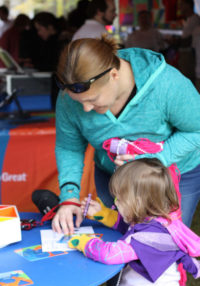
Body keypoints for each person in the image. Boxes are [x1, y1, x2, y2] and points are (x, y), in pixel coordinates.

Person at [52, 35, 200, 237]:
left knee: (165, 243)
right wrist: (69, 196)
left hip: (174, 176)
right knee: (117, 237)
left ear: (114, 74)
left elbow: (196, 130)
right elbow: (69, 147)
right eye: (79, 102)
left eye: (93, 100)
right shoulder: (69, 99)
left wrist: (157, 159)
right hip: (114, 178)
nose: (86, 109)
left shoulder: (167, 85)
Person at [68, 158, 200, 286]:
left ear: (137, 202)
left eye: (119, 199)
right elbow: (129, 226)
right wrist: (104, 214)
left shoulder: (146, 239)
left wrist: (86, 243)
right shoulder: (160, 223)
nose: (115, 203)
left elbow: (110, 254)